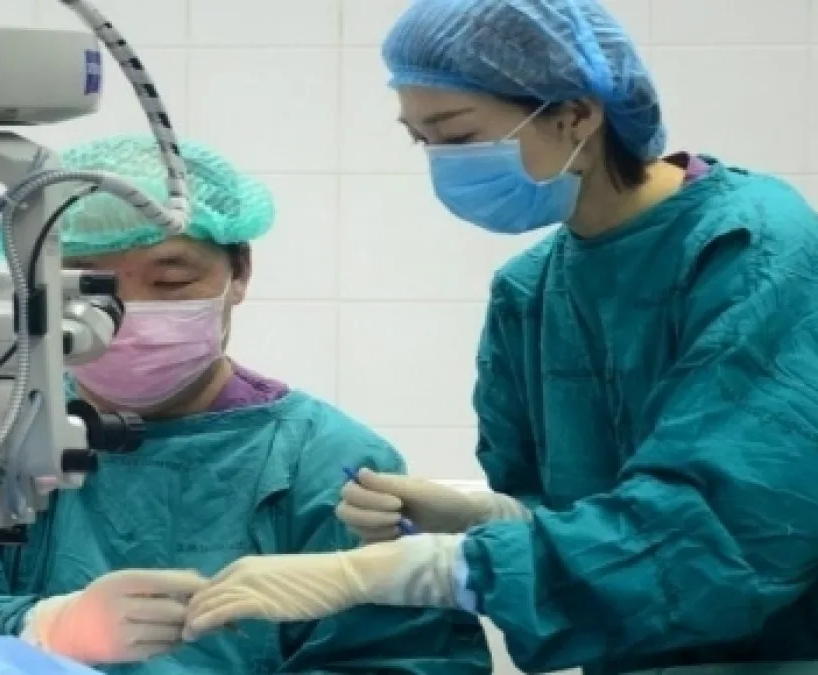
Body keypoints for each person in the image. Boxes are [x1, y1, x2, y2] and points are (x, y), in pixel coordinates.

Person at [181, 1, 818, 674]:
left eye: (457, 135)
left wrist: (394, 571)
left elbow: (727, 530)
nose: (442, 165)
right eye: (421, 140)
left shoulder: (751, 248)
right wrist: (481, 516)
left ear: (576, 114)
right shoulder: (531, 291)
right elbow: (588, 523)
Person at [0, 134, 492, 675]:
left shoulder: (326, 461)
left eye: (172, 280)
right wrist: (45, 629)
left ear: (240, 274)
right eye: (90, 287)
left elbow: (405, 661)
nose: (131, 313)